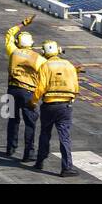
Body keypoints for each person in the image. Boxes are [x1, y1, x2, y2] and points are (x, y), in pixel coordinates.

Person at [30, 40, 79, 177]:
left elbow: (40, 87)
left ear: (45, 53)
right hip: (65, 106)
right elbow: (75, 86)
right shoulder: (69, 65)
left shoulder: (45, 66)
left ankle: (40, 161)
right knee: (64, 137)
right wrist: (71, 100)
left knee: (45, 133)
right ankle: (66, 168)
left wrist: (33, 102)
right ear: (58, 50)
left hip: (49, 105)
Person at [3, 15, 42, 161]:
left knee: (13, 120)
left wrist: (23, 23)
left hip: (12, 90)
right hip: (28, 92)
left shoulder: (13, 51)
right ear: (31, 43)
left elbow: (9, 33)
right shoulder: (37, 57)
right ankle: (28, 153)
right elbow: (47, 69)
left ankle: (10, 148)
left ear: (18, 42)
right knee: (30, 123)